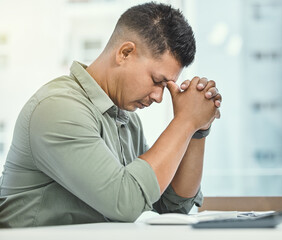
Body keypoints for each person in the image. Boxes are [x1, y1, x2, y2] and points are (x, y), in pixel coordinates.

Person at [0, 2, 222, 227]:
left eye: (166, 86)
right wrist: (185, 121)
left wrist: (197, 130)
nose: (159, 97)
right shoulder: (57, 108)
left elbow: (172, 206)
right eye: (157, 81)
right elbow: (125, 202)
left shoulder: (127, 119)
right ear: (125, 53)